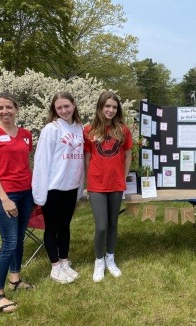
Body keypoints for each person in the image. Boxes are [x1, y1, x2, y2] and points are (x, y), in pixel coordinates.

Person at [0, 93, 34, 313]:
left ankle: (15, 280)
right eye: (0, 108)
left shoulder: (26, 135)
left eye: (9, 107)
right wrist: (4, 199)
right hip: (5, 195)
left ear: (17, 109)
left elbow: (25, 164)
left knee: (19, 238)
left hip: (26, 193)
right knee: (9, 242)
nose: (5, 111)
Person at [32, 91, 84, 284]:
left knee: (65, 227)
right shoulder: (51, 130)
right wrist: (39, 192)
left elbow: (80, 163)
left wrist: (79, 187)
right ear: (54, 109)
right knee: (52, 228)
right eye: (59, 107)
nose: (64, 110)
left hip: (71, 186)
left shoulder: (79, 128)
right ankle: (55, 266)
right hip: (53, 188)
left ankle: (64, 262)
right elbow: (41, 162)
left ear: (74, 105)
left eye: (66, 106)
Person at [84, 91, 132, 282]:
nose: (110, 110)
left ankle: (110, 258)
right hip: (97, 184)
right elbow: (87, 158)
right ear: (100, 107)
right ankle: (98, 261)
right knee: (101, 226)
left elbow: (128, 155)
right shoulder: (89, 130)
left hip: (116, 183)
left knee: (113, 223)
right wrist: (88, 182)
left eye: (114, 107)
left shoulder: (123, 130)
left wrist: (124, 175)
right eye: (107, 106)